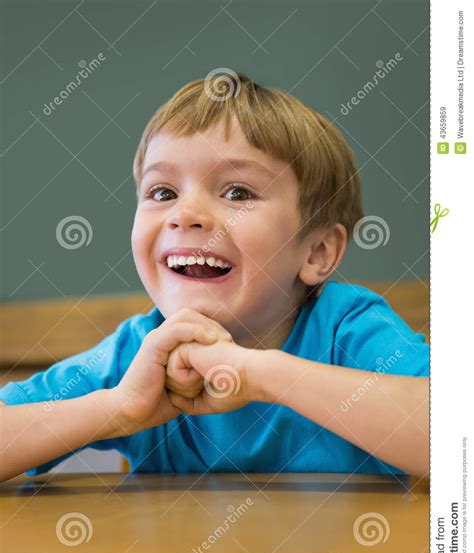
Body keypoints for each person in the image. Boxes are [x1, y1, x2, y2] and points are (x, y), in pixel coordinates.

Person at [0, 72, 429, 482]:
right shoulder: (138, 353)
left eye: (237, 192)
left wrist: (259, 375)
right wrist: (120, 407)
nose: (184, 214)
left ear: (317, 251)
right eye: (162, 193)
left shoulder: (346, 329)